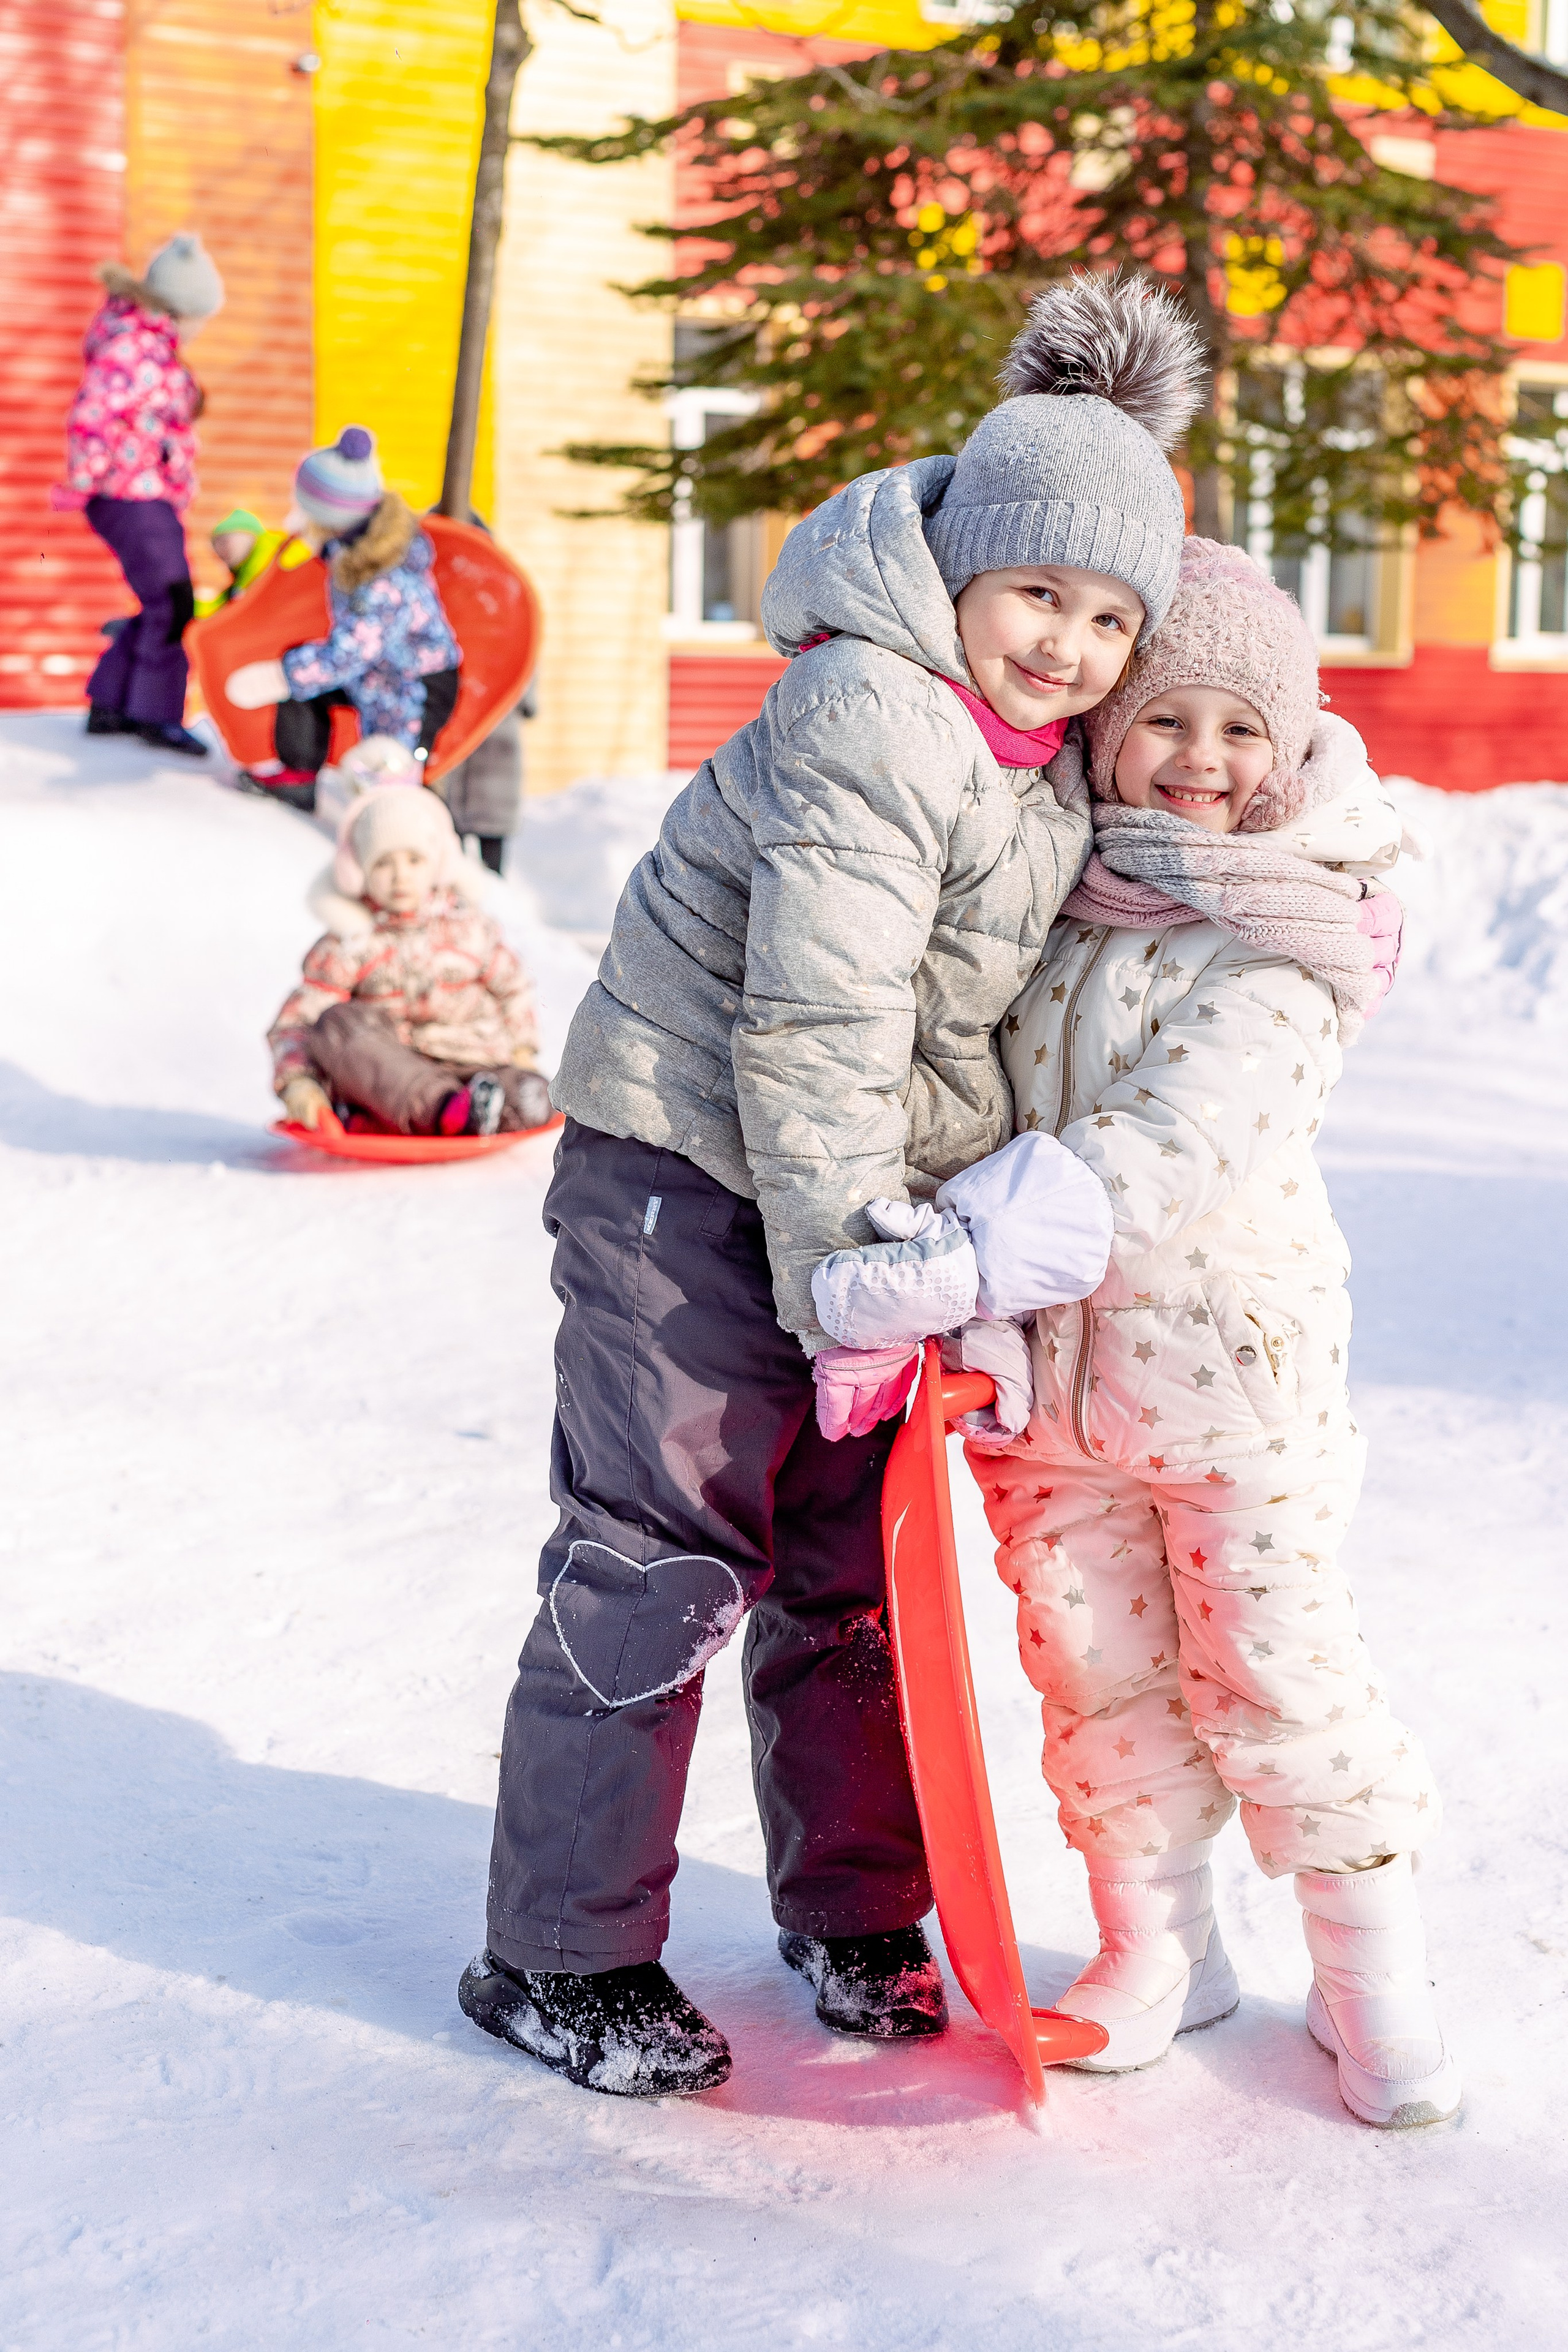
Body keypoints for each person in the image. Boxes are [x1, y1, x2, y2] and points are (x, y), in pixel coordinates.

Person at [456, 271, 1217, 2100]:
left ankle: (855, 1906)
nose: (1067, 641)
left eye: (1111, 616)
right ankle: (553, 1951)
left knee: (841, 1569)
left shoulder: (1036, 768)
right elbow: (820, 1015)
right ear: (960, 562)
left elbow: (952, 1038)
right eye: (1038, 590)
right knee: (660, 1556)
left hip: (830, 1209)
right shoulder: (875, 711)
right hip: (680, 1172)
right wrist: (850, 1275)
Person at [949, 538, 1453, 2128]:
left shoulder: (1295, 937)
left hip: (1231, 1386)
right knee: (1095, 1676)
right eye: (1169, 720)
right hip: (1052, 1399)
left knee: (1278, 1678)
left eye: (1243, 728)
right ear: (1108, 732)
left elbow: (1175, 1147)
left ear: (1289, 745)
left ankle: (1376, 1985)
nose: (1203, 760)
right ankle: (1157, 1952)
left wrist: (962, 1253)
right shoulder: (1052, 901)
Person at [268, 774, 551, 1139]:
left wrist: (523, 1048)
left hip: (477, 1064)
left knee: (534, 1095)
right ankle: (440, 1111)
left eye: (414, 860)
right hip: (395, 1074)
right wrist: (299, 1083)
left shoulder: (470, 928)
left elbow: (513, 989)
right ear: (362, 874)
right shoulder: (351, 941)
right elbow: (298, 1022)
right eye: (384, 864)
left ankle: (459, 1111)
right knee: (336, 1024)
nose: (400, 876)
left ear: (436, 866)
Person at [224, 428, 461, 814]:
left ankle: (407, 827)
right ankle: (298, 776)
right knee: (306, 676)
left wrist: (281, 677)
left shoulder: (384, 578)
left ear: (332, 516)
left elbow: (349, 655)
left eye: (307, 513)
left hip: (415, 684)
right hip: (378, 671)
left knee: (393, 772)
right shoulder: (353, 549)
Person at [59, 235, 224, 756]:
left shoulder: (148, 344)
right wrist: (86, 479)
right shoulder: (134, 345)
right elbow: (91, 415)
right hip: (129, 493)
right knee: (174, 602)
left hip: (146, 492)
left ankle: (113, 704)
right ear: (180, 311)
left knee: (161, 601)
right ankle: (156, 716)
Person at [439, 684, 533, 874]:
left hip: (495, 753)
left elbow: (528, 702)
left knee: (489, 853)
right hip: (466, 752)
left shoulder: (518, 655)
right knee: (457, 862)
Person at [194, 508, 290, 616]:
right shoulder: (243, 575)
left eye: (224, 541)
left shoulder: (272, 559)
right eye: (215, 546)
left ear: (247, 533)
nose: (220, 551)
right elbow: (222, 611)